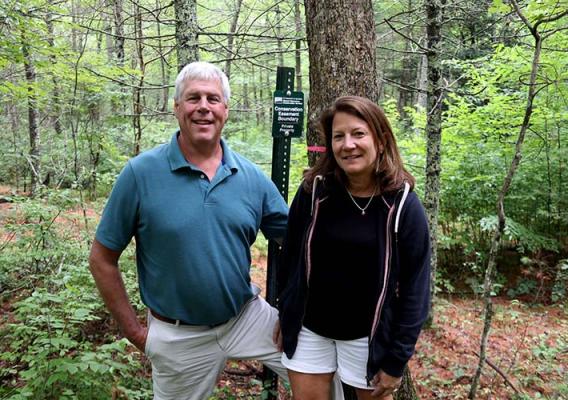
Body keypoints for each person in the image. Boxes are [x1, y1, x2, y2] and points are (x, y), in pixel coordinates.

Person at [88, 61, 290, 399]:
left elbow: (301, 243)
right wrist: (135, 332)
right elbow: (101, 258)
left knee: (323, 373)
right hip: (177, 335)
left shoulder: (251, 177)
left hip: (245, 317)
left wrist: (295, 310)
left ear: (225, 109)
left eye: (213, 99)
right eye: (193, 98)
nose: (203, 108)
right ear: (177, 107)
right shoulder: (141, 173)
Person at [274, 96, 431, 400]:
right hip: (310, 330)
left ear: (381, 140)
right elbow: (290, 257)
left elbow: (416, 289)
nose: (348, 145)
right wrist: (286, 312)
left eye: (358, 134)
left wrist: (397, 359)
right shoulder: (313, 192)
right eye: (338, 136)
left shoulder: (402, 205)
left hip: (369, 338)